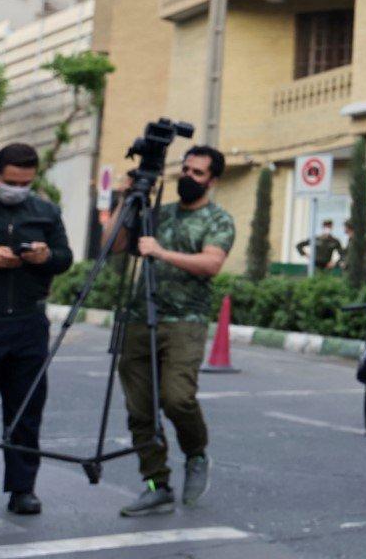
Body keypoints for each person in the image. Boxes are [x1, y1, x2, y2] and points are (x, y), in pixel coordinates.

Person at [111, 144, 234, 518]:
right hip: (138, 316)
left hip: (185, 321)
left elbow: (211, 264)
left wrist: (161, 252)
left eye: (198, 173)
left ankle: (195, 454)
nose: (189, 177)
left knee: (177, 398)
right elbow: (113, 244)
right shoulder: (158, 213)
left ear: (212, 180)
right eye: (186, 169)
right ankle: (156, 485)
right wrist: (128, 199)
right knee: (140, 409)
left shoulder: (218, 220)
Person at [0, 144, 72, 515]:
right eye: (11, 182)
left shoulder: (45, 211)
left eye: (25, 182)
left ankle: (22, 489)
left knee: (25, 410)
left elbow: (65, 258)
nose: (17, 188)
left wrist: (46, 257)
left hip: (28, 323)